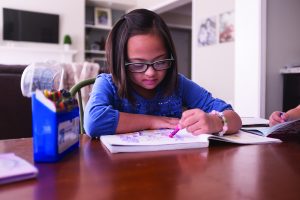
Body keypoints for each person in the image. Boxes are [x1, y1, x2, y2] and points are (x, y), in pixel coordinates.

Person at [84, 9, 242, 137]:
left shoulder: (178, 84)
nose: (151, 73)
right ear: (120, 61)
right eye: (138, 64)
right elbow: (94, 122)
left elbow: (234, 118)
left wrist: (215, 122)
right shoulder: (107, 84)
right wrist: (153, 121)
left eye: (160, 62)